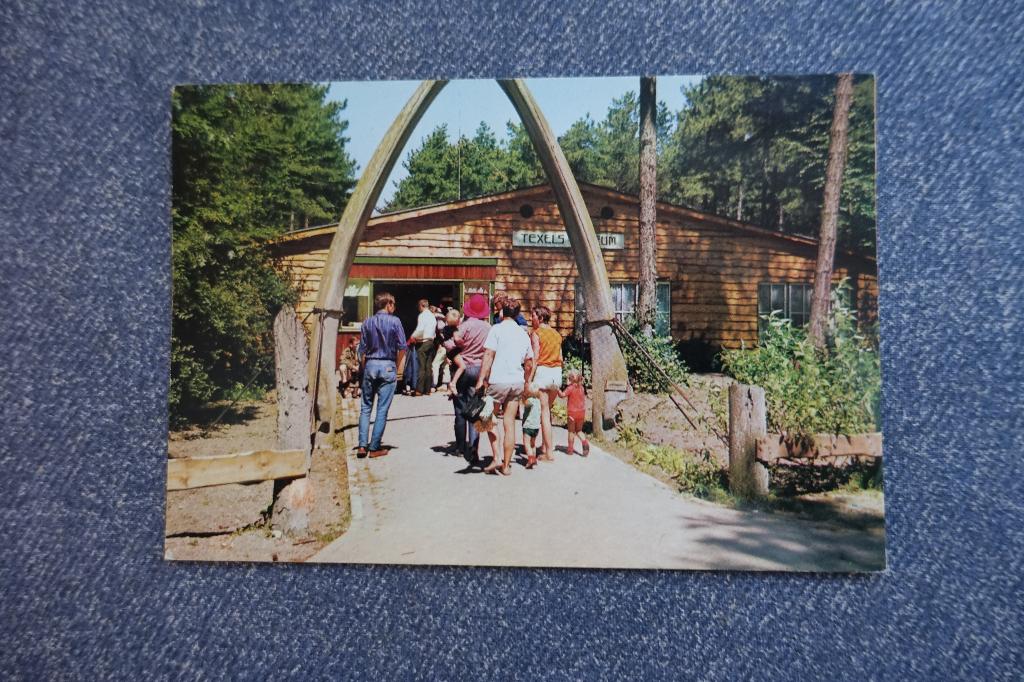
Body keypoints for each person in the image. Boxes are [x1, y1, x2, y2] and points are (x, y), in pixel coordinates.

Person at [475, 296, 534, 475]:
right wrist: (526, 382)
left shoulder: (496, 330)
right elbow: (529, 362)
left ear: (502, 312)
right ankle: (507, 466)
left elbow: (488, 355)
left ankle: (496, 457)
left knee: (486, 419)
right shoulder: (523, 334)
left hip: (498, 381)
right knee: (509, 423)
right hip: (516, 382)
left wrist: (480, 379)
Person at [356, 292, 407, 459]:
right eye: (394, 304)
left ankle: (362, 446)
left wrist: (364, 368)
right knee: (382, 409)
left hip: (370, 364)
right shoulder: (395, 321)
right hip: (387, 365)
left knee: (365, 408)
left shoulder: (367, 322)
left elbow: (362, 350)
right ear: (389, 304)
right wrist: (399, 369)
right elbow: (402, 347)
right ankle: (375, 446)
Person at [446, 294, 490, 465]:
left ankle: (459, 447)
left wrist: (461, 345)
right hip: (480, 369)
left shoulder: (465, 325)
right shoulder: (488, 327)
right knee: (475, 410)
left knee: (459, 409)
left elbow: (455, 340)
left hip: (463, 367)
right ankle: (474, 447)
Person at [529, 305, 563, 462]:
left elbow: (535, 358)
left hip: (543, 372)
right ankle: (545, 446)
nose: (531, 318)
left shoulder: (536, 334)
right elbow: (561, 357)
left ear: (540, 318)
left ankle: (549, 453)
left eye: (533, 316)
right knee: (547, 412)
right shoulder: (557, 334)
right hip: (557, 374)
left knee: (543, 412)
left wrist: (528, 379)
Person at [559, 368, 590, 457]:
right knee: (579, 431)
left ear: (571, 379)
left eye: (568, 378)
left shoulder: (570, 388)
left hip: (572, 412)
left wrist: (557, 389)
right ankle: (585, 442)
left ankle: (570, 449)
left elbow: (562, 395)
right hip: (581, 412)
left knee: (571, 432)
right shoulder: (582, 388)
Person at [411, 298, 436, 395]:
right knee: (428, 366)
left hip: (423, 342)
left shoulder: (422, 316)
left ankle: (419, 390)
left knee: (421, 367)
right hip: (431, 341)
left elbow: (420, 329)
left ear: (421, 305)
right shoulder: (432, 316)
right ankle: (428, 389)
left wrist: (413, 336)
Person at [432, 308, 460, 390]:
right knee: (447, 366)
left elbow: (443, 340)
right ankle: (446, 384)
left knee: (435, 364)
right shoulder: (457, 328)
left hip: (445, 348)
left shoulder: (445, 328)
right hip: (454, 350)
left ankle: (433, 384)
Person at [520, 383, 542, 469]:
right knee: (533, 444)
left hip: (528, 425)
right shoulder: (538, 401)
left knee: (526, 443)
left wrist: (523, 398)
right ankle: (534, 458)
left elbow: (526, 405)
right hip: (536, 427)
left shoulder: (530, 400)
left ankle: (530, 458)